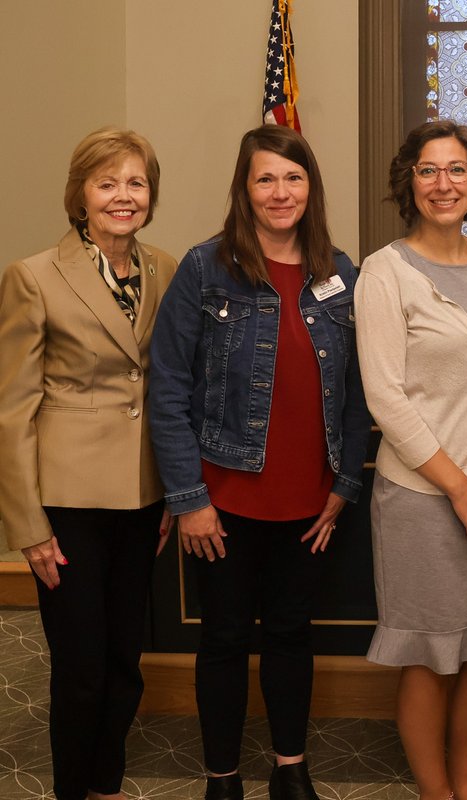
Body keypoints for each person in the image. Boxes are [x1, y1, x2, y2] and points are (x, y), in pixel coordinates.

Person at [148, 125, 370, 800]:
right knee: (221, 639)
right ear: (245, 190)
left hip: (311, 499)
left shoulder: (340, 272)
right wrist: (188, 499)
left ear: (312, 187)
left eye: (293, 178)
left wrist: (346, 483)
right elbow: (167, 386)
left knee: (290, 634)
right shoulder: (205, 267)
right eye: (265, 179)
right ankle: (222, 778)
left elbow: (362, 390)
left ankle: (290, 766)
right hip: (222, 499)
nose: (281, 192)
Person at [355, 119, 467, 800]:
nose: (443, 184)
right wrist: (462, 490)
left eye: (457, 169)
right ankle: (436, 793)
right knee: (428, 659)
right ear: (409, 183)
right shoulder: (384, 271)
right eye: (428, 171)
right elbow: (385, 397)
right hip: (425, 500)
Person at [0, 127, 176, 800]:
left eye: (135, 182)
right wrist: (28, 524)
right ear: (80, 196)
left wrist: (167, 489)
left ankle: (106, 785)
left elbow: (162, 386)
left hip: (141, 499)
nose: (122, 197)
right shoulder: (33, 276)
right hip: (65, 505)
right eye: (107, 184)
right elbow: (13, 409)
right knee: (80, 666)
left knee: (124, 663)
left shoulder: (164, 267)